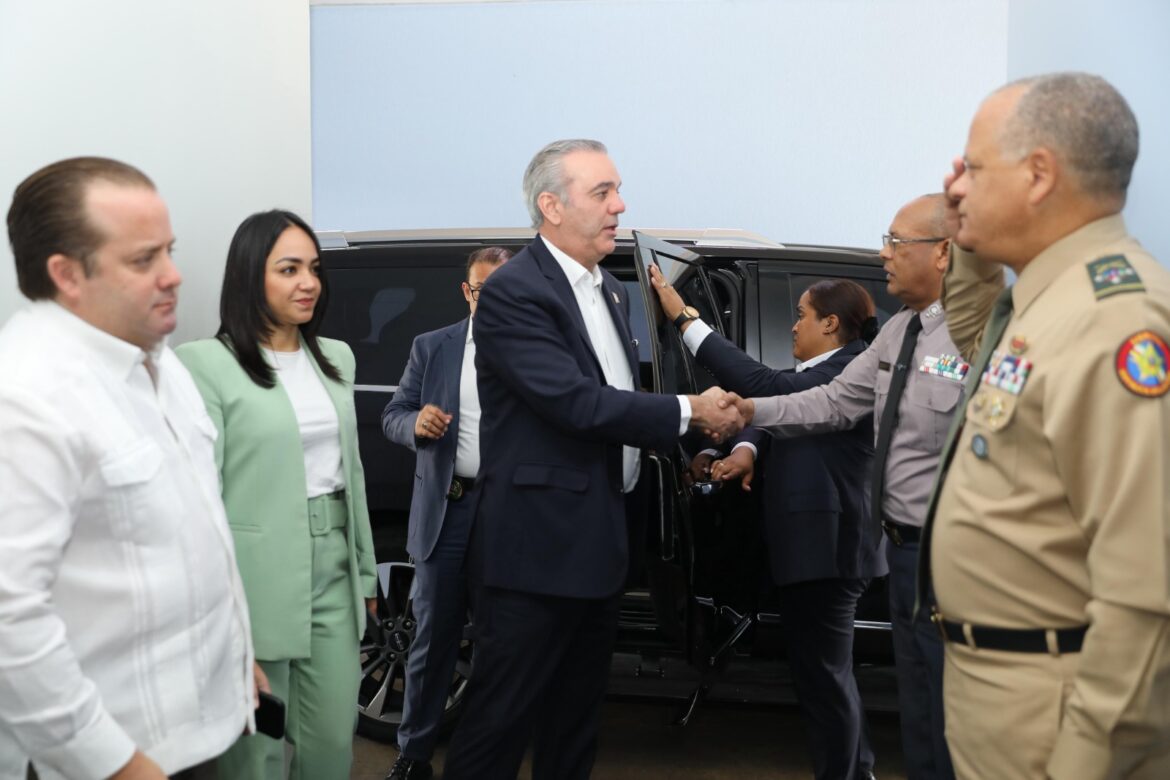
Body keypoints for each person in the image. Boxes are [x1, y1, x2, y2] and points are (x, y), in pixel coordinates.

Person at [440, 139, 743, 780]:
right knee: (499, 725)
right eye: (602, 192)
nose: (619, 205)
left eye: (617, 190)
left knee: (574, 725)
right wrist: (691, 411)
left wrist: (690, 438)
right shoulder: (515, 291)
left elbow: (620, 398)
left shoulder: (609, 290)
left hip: (597, 549)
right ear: (551, 206)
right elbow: (576, 403)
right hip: (535, 553)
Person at [920, 72, 1170, 779]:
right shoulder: (1052, 300)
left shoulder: (1117, 321)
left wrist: (1087, 759)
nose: (955, 186)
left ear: (1038, 175)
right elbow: (975, 340)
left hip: (1058, 713)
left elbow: (1147, 594)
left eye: (972, 168)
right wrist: (969, 241)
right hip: (1004, 692)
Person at [0, 157, 258, 780]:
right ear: (66, 273)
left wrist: (235, 656)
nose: (174, 275)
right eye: (144, 260)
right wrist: (112, 762)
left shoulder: (158, 361)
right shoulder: (26, 397)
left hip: (196, 728)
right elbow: (9, 617)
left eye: (169, 250)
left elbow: (193, 536)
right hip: (113, 755)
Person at [718, 194, 962, 779]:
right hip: (903, 551)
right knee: (919, 709)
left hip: (955, 554)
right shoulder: (897, 333)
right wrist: (750, 410)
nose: (885, 254)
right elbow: (831, 402)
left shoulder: (979, 334)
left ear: (944, 253)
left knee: (956, 710)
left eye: (897, 242)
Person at [654, 273, 883, 779]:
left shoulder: (848, 369)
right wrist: (744, 448)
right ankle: (856, 769)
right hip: (815, 549)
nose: (794, 326)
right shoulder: (824, 370)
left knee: (824, 678)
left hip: (828, 551)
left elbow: (773, 390)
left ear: (830, 323)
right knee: (825, 676)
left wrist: (684, 319)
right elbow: (784, 411)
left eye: (802, 316)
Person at [175, 210, 378, 780]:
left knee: (332, 744)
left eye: (313, 269)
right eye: (289, 269)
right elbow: (199, 498)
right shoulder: (204, 364)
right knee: (255, 755)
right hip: (251, 577)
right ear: (249, 276)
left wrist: (365, 573)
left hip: (333, 569)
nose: (308, 282)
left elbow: (352, 471)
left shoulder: (337, 357)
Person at [379, 245, 511, 780]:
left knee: (504, 644)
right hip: (447, 511)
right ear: (466, 292)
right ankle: (413, 756)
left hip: (510, 514)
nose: (492, 300)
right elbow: (393, 413)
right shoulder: (433, 346)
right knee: (432, 642)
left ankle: (488, 758)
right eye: (482, 290)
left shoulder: (539, 349)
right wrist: (414, 425)